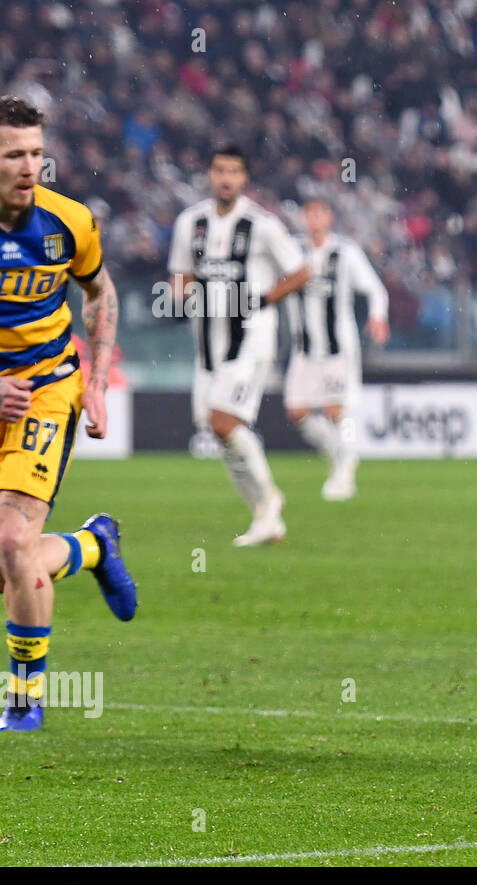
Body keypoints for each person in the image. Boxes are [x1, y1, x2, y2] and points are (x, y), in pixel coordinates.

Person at [0, 96, 137, 731]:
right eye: (13, 155)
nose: (29, 167)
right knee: (11, 562)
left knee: (9, 541)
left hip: (49, 389)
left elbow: (100, 292)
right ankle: (91, 545)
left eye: (35, 153)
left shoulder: (68, 223)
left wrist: (100, 382)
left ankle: (24, 701)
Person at [167, 145, 308, 545]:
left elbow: (300, 272)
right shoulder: (189, 223)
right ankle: (265, 516)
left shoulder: (262, 224)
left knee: (223, 422)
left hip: (251, 341)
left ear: (244, 178)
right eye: (219, 170)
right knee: (217, 428)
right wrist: (179, 300)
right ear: (209, 175)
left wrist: (262, 300)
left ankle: (269, 503)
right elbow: (181, 274)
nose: (226, 178)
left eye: (234, 171)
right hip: (208, 345)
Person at [282, 198, 388, 501]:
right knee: (297, 412)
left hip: (338, 348)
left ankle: (344, 474)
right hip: (304, 349)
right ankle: (341, 455)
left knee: (336, 409)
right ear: (303, 217)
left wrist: (377, 316)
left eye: (320, 213)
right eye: (309, 213)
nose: (314, 219)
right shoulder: (291, 251)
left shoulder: (345, 252)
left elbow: (375, 288)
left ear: (329, 217)